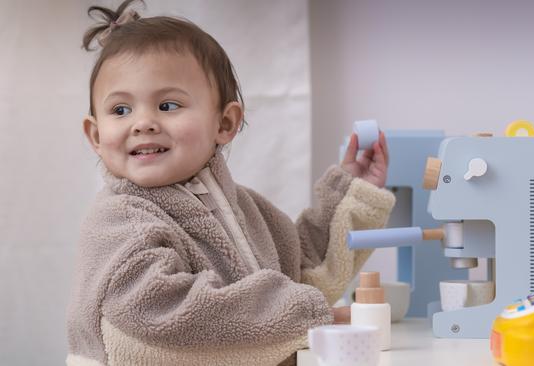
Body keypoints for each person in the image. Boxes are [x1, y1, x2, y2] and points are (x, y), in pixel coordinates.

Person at [66, 1, 395, 365]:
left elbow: (303, 272)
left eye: (168, 105)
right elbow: (159, 309)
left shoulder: (249, 211)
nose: (142, 123)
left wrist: (352, 193)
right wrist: (307, 317)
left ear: (224, 124)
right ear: (95, 135)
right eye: (121, 110)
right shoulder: (120, 219)